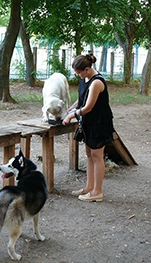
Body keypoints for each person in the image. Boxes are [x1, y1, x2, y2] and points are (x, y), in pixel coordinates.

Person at [62, 51, 114, 202]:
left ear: (87, 69)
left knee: (97, 156)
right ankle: (89, 187)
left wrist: (72, 115)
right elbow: (82, 99)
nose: (77, 75)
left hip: (99, 123)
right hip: (88, 123)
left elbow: (88, 107)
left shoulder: (97, 82)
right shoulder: (85, 78)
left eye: (78, 72)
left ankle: (97, 191)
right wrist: (71, 107)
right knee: (90, 155)